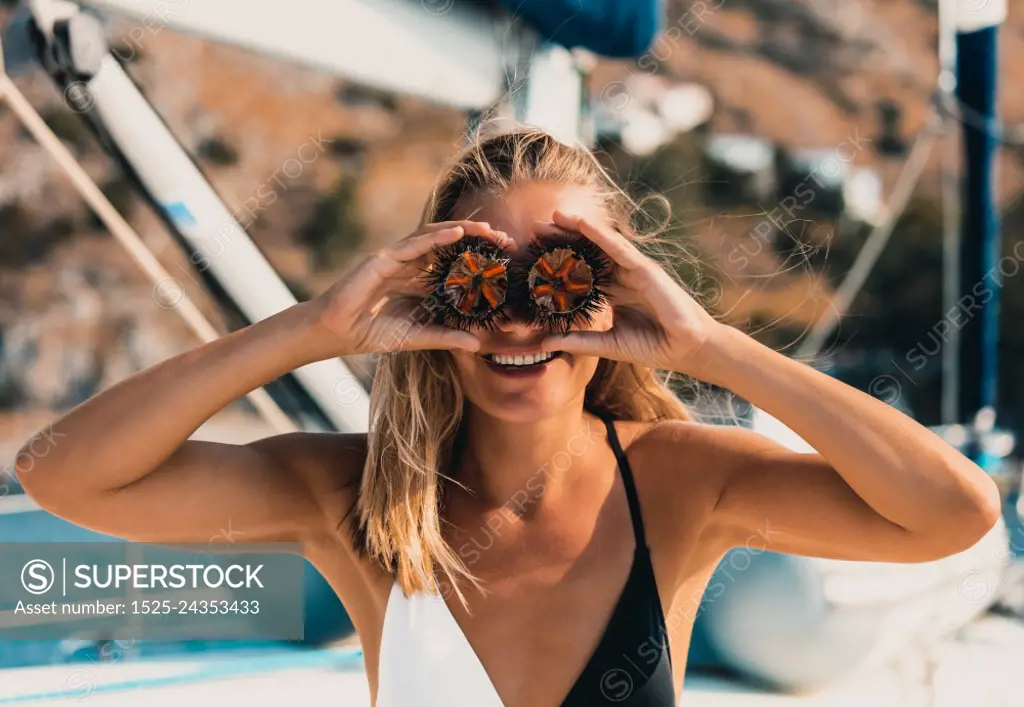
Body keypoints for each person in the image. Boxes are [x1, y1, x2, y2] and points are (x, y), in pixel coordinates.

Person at [16, 128, 1001, 706]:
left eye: (568, 276)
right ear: (438, 295)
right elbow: (61, 472)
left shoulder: (682, 479)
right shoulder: (352, 497)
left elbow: (952, 513)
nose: (521, 316)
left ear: (621, 290)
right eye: (483, 280)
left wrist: (705, 345)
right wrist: (314, 328)